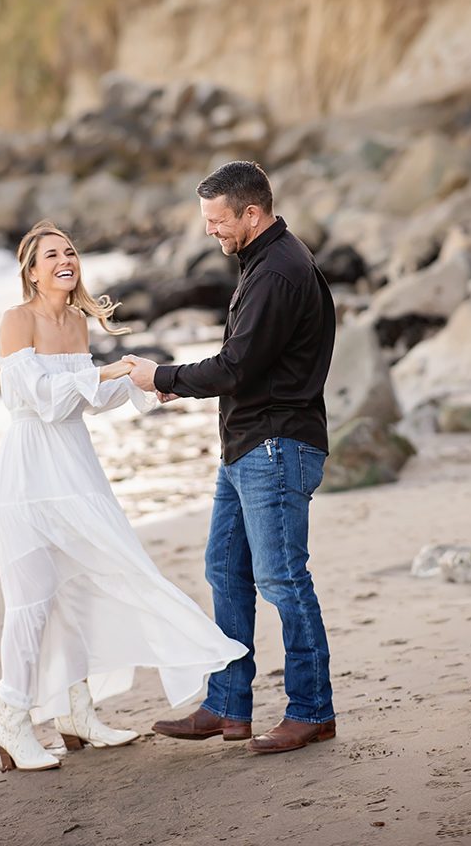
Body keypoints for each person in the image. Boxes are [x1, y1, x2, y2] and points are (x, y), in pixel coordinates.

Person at [0, 219, 247, 772]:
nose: (66, 260)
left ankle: (75, 712)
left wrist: (139, 382)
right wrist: (107, 371)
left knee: (81, 589)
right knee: (33, 601)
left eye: (71, 251)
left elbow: (81, 403)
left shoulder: (79, 325)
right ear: (31, 271)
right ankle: (12, 718)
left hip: (76, 467)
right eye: (51, 254)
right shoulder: (17, 321)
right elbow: (37, 399)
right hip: (31, 472)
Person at [125, 161, 336, 754]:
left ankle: (313, 709)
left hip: (275, 446)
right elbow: (247, 361)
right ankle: (227, 706)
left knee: (282, 579)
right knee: (225, 570)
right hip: (249, 446)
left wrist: (160, 373)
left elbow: (237, 366)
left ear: (252, 211)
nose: (211, 233)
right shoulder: (265, 263)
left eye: (218, 222)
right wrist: (180, 382)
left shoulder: (278, 272)